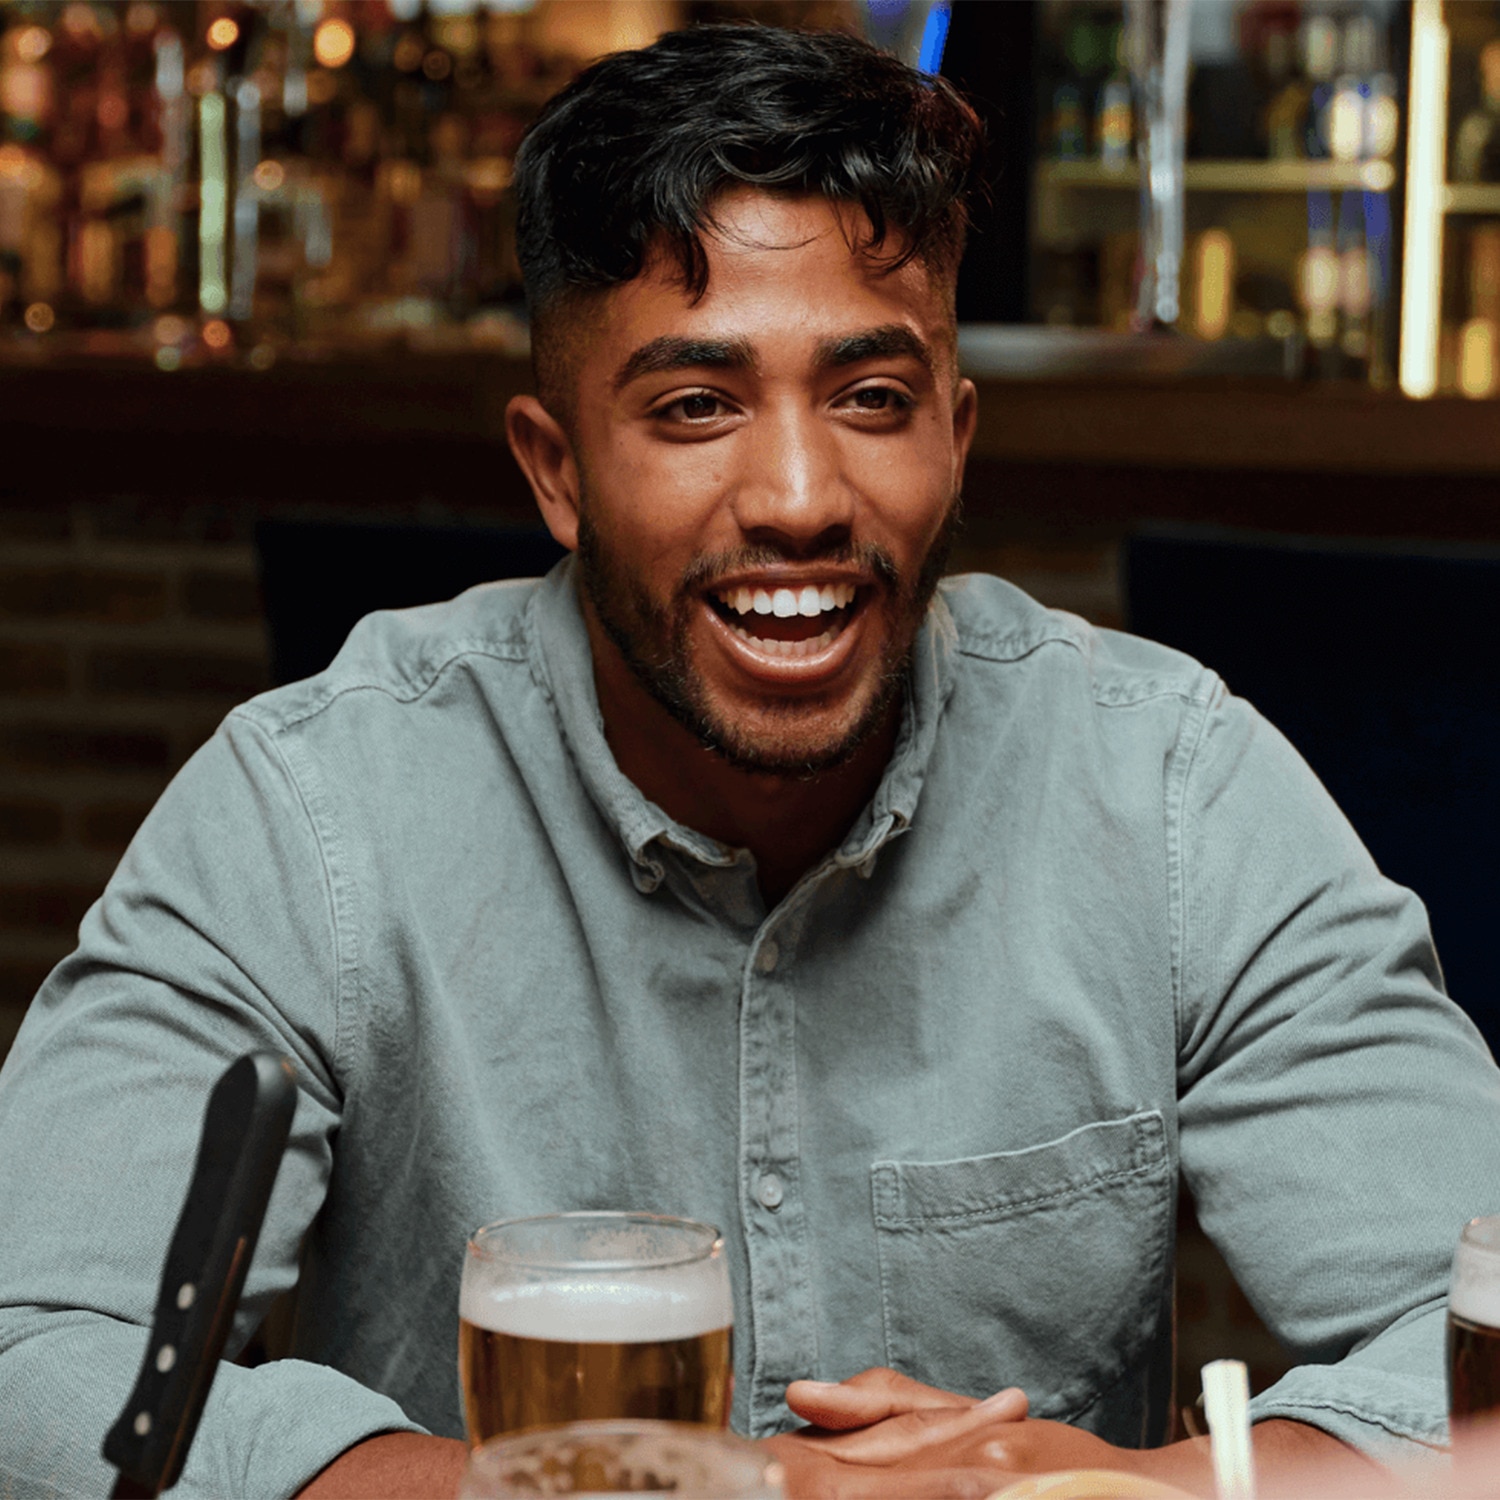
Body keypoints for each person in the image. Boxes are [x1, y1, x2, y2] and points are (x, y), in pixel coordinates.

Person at [0, 23, 1497, 1500]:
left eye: (870, 399)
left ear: (956, 440)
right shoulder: (318, 808)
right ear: (556, 469)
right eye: (695, 406)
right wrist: (545, 1495)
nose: (797, 497)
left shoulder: (1172, 793)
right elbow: (31, 1357)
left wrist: (1144, 1496)